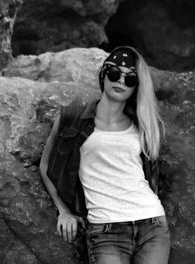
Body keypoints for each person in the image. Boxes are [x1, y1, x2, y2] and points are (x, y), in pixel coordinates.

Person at [39, 46, 170, 264]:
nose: (120, 81)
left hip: (152, 224)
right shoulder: (72, 117)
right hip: (106, 229)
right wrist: (64, 211)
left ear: (136, 88)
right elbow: (45, 167)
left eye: (129, 79)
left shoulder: (143, 126)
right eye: (114, 74)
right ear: (103, 75)